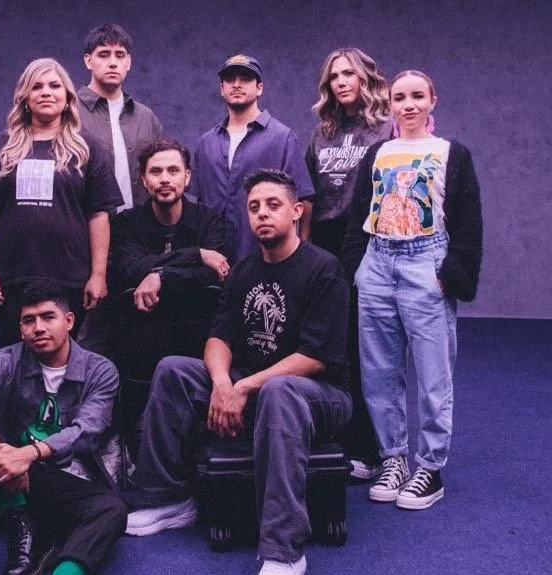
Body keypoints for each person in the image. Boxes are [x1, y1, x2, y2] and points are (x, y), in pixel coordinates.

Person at [124, 169, 353, 575]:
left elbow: (315, 357)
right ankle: (167, 499)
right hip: (255, 386)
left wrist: (242, 386)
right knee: (174, 370)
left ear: (297, 211)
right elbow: (219, 338)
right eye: (254, 207)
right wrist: (221, 383)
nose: (262, 214)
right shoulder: (245, 270)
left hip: (319, 395)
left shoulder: (324, 269)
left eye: (273, 205)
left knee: (281, 389)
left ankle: (284, 549)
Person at [342, 70, 483, 510]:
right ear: (389, 102)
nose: (408, 105)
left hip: (427, 262)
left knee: (432, 374)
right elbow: (358, 212)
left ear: (432, 100)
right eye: (400, 97)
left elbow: (467, 220)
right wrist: (358, 266)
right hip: (379, 263)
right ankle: (393, 458)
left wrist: (451, 272)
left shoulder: (450, 153)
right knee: (379, 371)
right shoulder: (379, 153)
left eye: (417, 96)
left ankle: (430, 467)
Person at [0, 278, 126, 575]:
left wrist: (29, 454)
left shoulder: (100, 369)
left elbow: (90, 429)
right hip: (7, 467)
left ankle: (66, 570)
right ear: (21, 328)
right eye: (29, 320)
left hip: (63, 472)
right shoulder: (8, 359)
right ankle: (22, 523)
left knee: (112, 510)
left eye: (47, 317)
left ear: (68, 321)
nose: (38, 327)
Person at [0, 58, 122, 347]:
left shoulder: (87, 149)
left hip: (70, 276)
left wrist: (98, 274)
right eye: (37, 86)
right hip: (10, 278)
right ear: (24, 97)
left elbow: (99, 216)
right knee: (16, 360)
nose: (46, 92)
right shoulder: (2, 147)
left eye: (54, 86)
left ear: (68, 97)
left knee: (61, 358)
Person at [306, 48, 393, 482]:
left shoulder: (385, 129)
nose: (341, 82)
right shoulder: (321, 133)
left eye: (349, 74)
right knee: (328, 346)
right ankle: (333, 437)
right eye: (334, 76)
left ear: (365, 79)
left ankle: (373, 448)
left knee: (364, 348)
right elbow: (307, 197)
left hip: (364, 243)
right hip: (323, 244)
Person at [191, 54, 314, 264]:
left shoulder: (282, 137)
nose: (237, 84)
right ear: (222, 89)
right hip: (213, 260)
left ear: (259, 88)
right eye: (230, 79)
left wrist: (302, 251)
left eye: (246, 79)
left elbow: (303, 197)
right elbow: (197, 203)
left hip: (264, 257)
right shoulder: (206, 143)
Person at [110, 137, 229, 312]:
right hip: (141, 324)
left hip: (197, 321)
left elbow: (214, 274)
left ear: (187, 177)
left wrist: (161, 275)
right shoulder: (125, 223)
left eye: (173, 171)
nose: (164, 179)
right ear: (144, 179)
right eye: (156, 172)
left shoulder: (210, 221)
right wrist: (197, 254)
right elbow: (132, 269)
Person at [77, 23, 163, 211]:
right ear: (88, 60)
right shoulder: (68, 113)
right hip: (85, 226)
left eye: (120, 55)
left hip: (138, 232)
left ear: (129, 62)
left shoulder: (146, 117)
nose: (113, 62)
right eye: (104, 54)